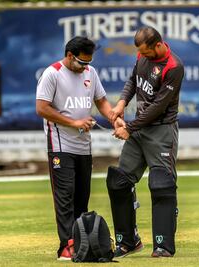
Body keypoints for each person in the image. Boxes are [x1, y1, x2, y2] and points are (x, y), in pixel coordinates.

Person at [107, 26, 185, 258]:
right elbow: (133, 80)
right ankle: (128, 241)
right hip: (139, 129)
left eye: (147, 53)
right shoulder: (143, 55)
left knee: (161, 184)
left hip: (161, 132)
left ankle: (163, 246)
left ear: (158, 45)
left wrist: (129, 128)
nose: (143, 57)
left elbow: (159, 107)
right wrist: (121, 102)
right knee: (119, 182)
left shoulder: (174, 67)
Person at [36, 36, 114, 261]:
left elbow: (101, 101)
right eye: (82, 63)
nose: (85, 67)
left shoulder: (91, 73)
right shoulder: (52, 73)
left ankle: (81, 243)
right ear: (70, 56)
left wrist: (114, 118)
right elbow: (42, 108)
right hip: (60, 146)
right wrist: (74, 123)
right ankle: (65, 247)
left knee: (82, 197)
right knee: (65, 198)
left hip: (84, 147)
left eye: (88, 63)